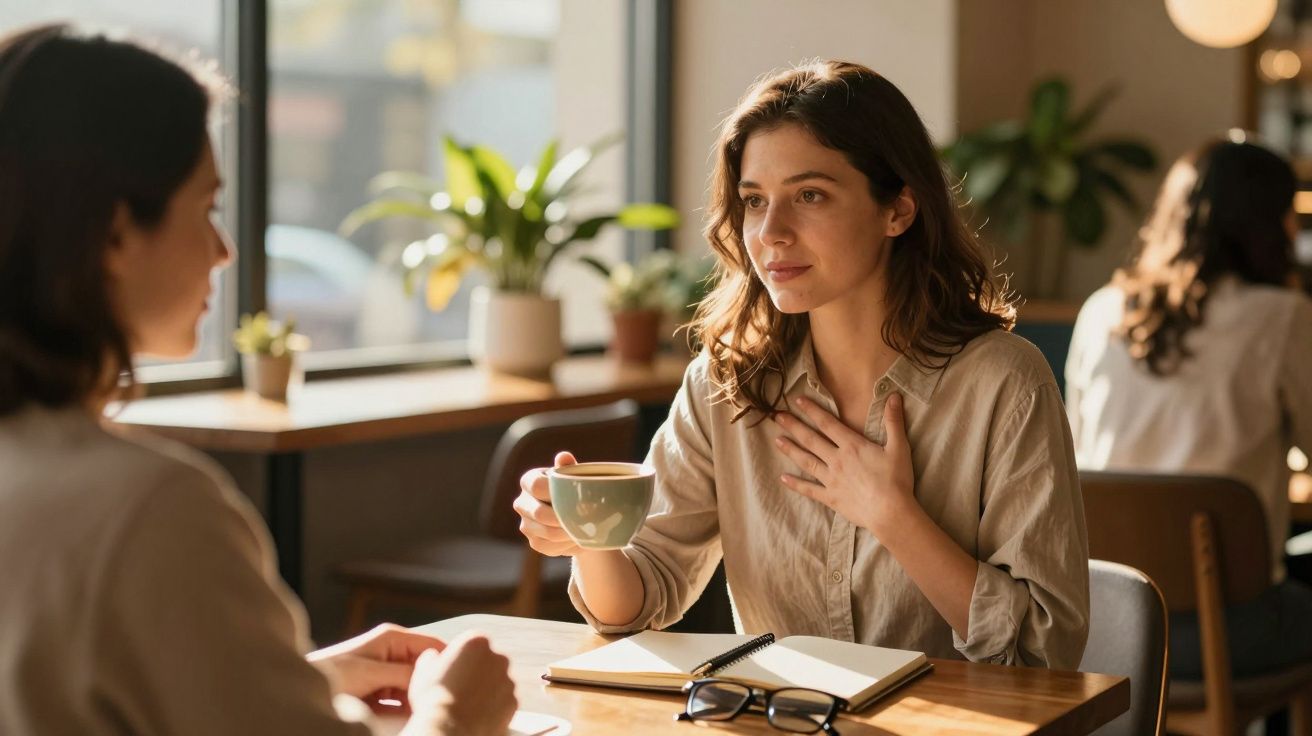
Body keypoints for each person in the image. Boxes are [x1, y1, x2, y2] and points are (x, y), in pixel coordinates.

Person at [0, 24, 516, 735]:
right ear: (116, 235)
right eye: (208, 207)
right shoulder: (150, 511)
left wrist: (299, 678)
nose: (223, 251)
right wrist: (458, 713)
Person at [515, 60, 1089, 668]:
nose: (770, 233)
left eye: (810, 195)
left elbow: (1043, 654)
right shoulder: (726, 382)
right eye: (755, 201)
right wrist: (590, 538)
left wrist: (893, 515)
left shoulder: (1006, 383)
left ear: (898, 209)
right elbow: (638, 598)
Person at [1066, 136, 1312, 678]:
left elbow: (1076, 452)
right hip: (1226, 632)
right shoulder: (1285, 317)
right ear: (1270, 223)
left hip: (1101, 627)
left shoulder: (1101, 309)